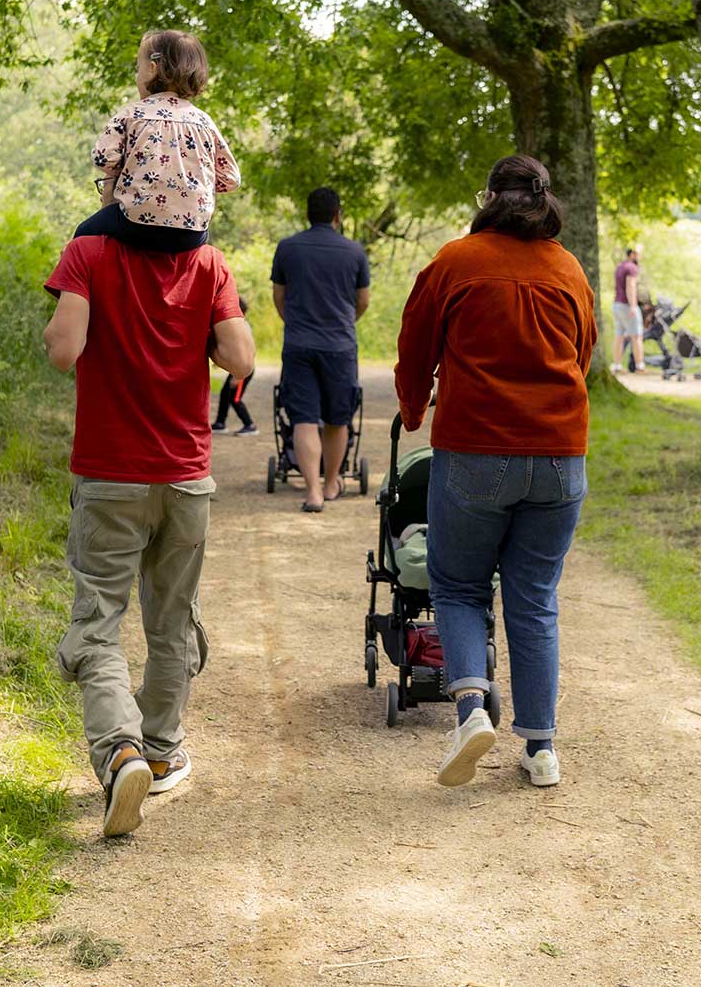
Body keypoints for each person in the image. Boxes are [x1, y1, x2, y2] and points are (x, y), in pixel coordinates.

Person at [41, 227, 254, 838]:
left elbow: (63, 350)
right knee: (172, 621)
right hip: (185, 481)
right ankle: (160, 751)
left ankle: (119, 754)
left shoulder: (89, 252)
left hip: (110, 476)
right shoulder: (209, 262)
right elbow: (240, 357)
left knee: (98, 622)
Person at [395, 154, 597, 791]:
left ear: (489, 199)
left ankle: (471, 711)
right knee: (535, 601)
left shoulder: (456, 261)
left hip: (476, 451)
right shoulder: (568, 269)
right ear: (545, 201)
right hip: (561, 456)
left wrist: (410, 409)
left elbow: (414, 343)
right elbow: (583, 354)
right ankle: (541, 750)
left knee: (458, 588)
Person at [76, 30, 241, 253]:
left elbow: (103, 158)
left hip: (136, 224)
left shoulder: (131, 114)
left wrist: (133, 165)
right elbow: (230, 179)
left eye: (137, 68)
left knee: (82, 234)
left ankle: (66, 282)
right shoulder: (204, 122)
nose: (136, 75)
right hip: (192, 233)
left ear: (152, 69)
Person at [271, 187, 371, 512]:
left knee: (302, 419)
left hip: (298, 344)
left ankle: (312, 492)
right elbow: (362, 301)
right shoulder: (354, 252)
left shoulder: (287, 248)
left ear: (307, 214)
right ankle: (331, 484)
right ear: (337, 215)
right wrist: (342, 322)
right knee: (337, 419)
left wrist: (297, 324)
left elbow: (280, 297)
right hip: (339, 345)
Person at [211, 296, 259, 435]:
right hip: (236, 369)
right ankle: (220, 423)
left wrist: (238, 377)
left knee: (235, 398)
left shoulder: (243, 327)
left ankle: (250, 425)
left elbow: (247, 352)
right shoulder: (236, 326)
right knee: (225, 393)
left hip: (243, 370)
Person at [611, 245, 643, 373]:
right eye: (638, 253)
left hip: (616, 305)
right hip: (627, 305)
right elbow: (631, 286)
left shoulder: (620, 266)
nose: (640, 256)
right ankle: (640, 366)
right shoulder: (631, 268)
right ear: (633, 254)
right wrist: (633, 306)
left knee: (619, 336)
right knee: (636, 336)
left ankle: (617, 365)